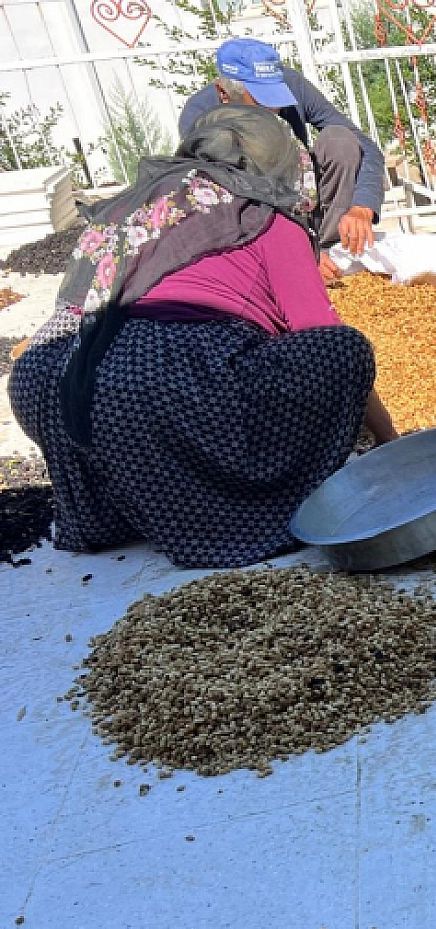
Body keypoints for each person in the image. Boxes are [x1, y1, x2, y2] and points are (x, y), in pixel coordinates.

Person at [9, 104, 398, 570]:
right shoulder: (264, 217)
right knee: (340, 352)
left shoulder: (130, 213)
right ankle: (217, 516)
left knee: (116, 388)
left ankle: (127, 509)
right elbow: (322, 331)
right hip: (169, 376)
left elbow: (59, 325)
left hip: (56, 384)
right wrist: (391, 441)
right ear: (275, 162)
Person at [180, 38, 384, 275]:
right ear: (224, 91)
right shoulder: (200, 117)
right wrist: (296, 250)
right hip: (251, 222)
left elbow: (367, 147)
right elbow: (232, 202)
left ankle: (334, 251)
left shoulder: (294, 84)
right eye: (261, 98)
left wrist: (362, 207)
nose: (273, 109)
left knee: (340, 139)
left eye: (275, 95)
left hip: (306, 202)